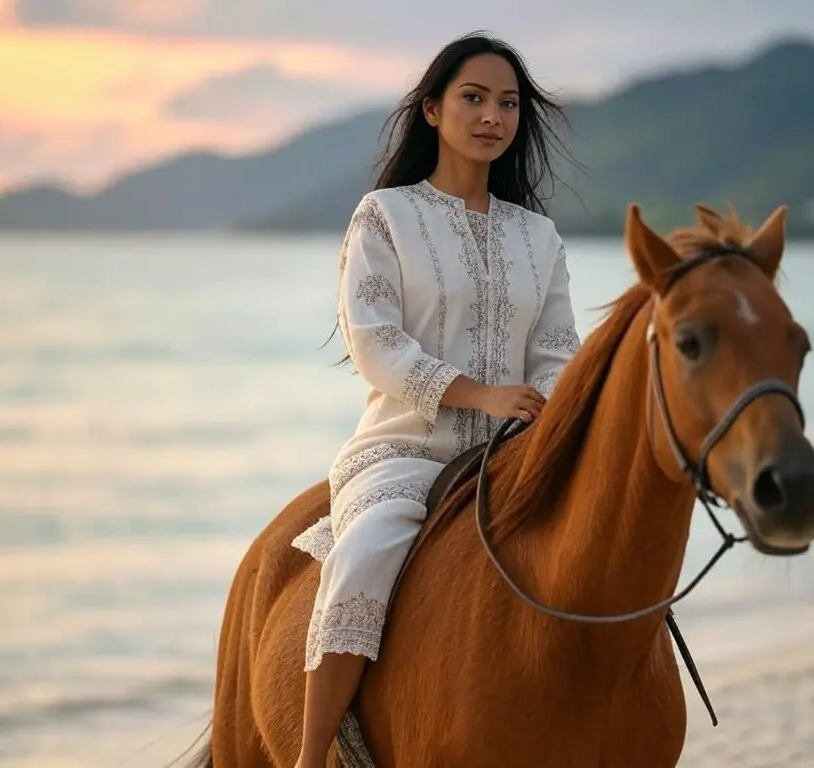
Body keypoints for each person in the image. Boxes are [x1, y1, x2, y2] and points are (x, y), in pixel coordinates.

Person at [289, 31, 582, 768]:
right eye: (474, 98)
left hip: (517, 454)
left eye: (508, 103)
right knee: (364, 553)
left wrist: (540, 411)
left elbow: (558, 351)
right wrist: (482, 393)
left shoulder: (538, 238)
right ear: (431, 110)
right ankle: (309, 755)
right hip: (404, 452)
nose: (493, 117)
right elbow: (376, 342)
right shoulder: (385, 216)